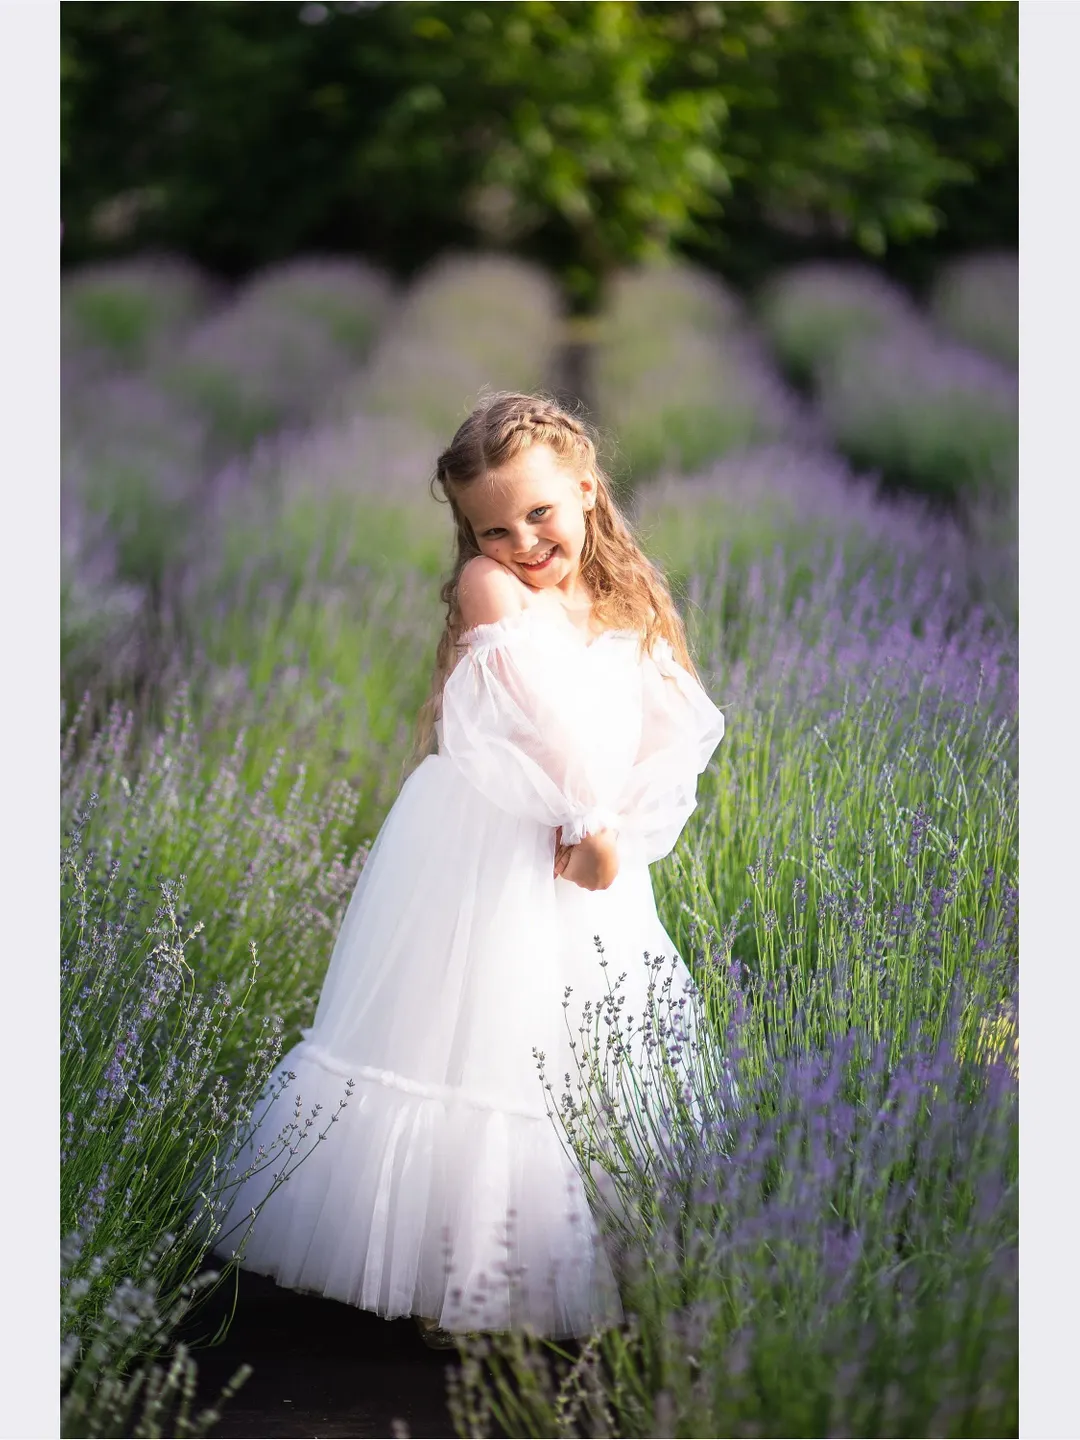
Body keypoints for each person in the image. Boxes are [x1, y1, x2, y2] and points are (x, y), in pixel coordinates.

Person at [213, 392, 725, 1346]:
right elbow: (539, 717)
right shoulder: (494, 590)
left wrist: (623, 825)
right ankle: (454, 1270)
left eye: (540, 515)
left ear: (585, 486)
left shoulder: (625, 592)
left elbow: (670, 717)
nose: (524, 541)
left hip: (587, 838)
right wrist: (588, 815)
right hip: (493, 841)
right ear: (470, 533)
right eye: (494, 528)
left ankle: (567, 1258)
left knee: (577, 1036)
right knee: (475, 1028)